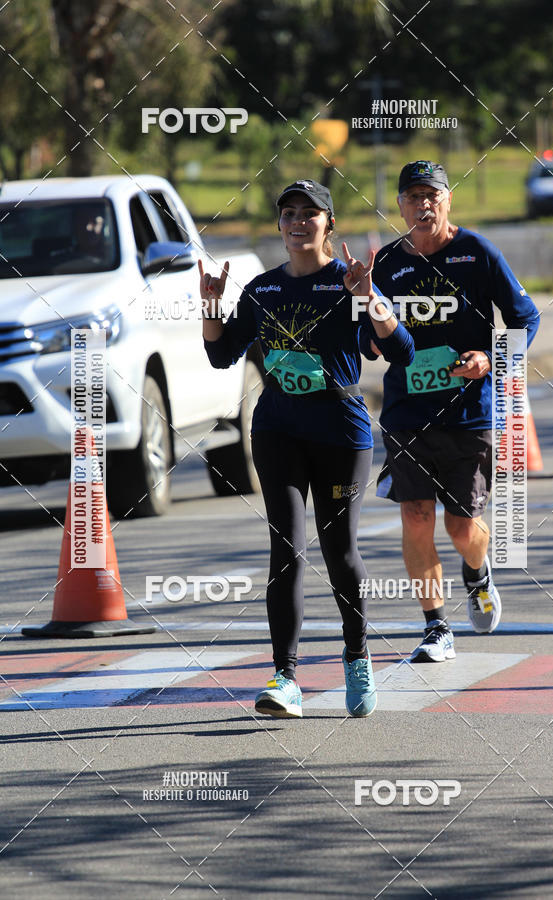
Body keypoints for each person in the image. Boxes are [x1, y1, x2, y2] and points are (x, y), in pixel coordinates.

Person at [200, 179, 414, 716]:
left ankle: (358, 656)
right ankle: (284, 678)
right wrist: (209, 307)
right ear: (279, 224)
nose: (298, 221)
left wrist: (369, 300)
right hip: (278, 433)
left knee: (338, 551)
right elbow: (221, 355)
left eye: (310, 213)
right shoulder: (262, 290)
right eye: (289, 212)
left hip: (341, 434)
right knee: (286, 551)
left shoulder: (347, 286)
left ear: (329, 225)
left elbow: (402, 351)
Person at [363, 160, 539, 662]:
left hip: (470, 414)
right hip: (406, 415)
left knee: (462, 528)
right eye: (413, 196)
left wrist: (492, 357)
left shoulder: (477, 252)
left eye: (432, 195)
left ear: (448, 200)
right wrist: (368, 309)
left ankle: (478, 573)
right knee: (416, 518)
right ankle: (435, 627)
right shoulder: (390, 264)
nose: (423, 205)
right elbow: (367, 341)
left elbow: (525, 318)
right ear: (399, 205)